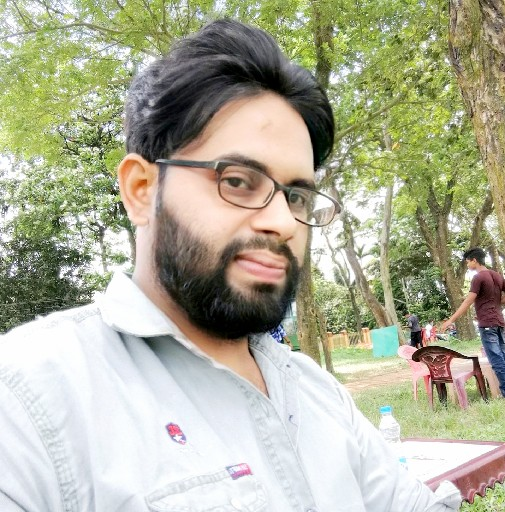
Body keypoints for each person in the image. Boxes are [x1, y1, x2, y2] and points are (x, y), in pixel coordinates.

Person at [0, 20, 460, 511]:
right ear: (141, 190)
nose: (282, 222)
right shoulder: (28, 400)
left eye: (297, 196)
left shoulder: (316, 392)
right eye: (238, 181)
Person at [442, 247, 505, 397]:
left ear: (474, 260)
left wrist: (450, 320)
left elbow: (467, 302)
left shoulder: (478, 278)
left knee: (496, 359)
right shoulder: (497, 276)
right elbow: (502, 299)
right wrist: (492, 306)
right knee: (503, 356)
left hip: (487, 325)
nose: (468, 265)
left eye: (468, 262)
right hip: (499, 322)